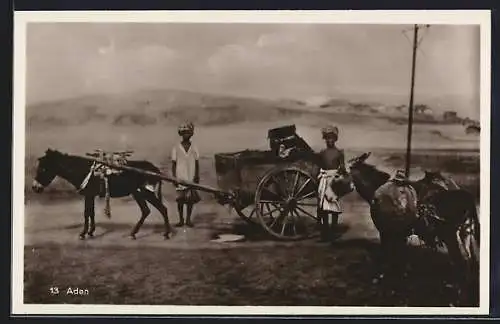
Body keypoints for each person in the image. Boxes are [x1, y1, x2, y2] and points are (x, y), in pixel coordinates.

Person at [316, 125, 352, 242]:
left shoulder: (339, 153)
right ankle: (325, 233)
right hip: (324, 179)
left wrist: (342, 172)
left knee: (333, 205)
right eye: (327, 138)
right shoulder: (322, 153)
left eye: (331, 138)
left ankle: (333, 231)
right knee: (323, 207)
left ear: (335, 139)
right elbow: (319, 166)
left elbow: (342, 167)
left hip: (334, 180)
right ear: (325, 139)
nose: (329, 140)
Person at [171, 122, 201, 227]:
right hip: (180, 176)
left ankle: (188, 219)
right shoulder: (176, 147)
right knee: (180, 200)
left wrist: (197, 175)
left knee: (190, 200)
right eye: (184, 133)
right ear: (181, 134)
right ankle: (181, 220)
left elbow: (197, 162)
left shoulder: (194, 147)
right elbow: (174, 163)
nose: (186, 135)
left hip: (191, 175)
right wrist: (174, 177)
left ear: (191, 134)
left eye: (188, 133)